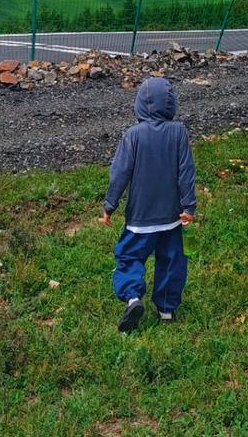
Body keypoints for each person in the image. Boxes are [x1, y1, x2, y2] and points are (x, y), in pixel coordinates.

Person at [99, 76, 196, 332]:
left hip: (139, 218)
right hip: (171, 217)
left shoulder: (132, 136)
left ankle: (132, 297)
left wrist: (110, 206)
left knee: (129, 257)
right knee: (172, 260)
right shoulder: (179, 132)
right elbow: (186, 171)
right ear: (171, 103)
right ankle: (166, 309)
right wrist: (189, 207)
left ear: (139, 104)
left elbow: (119, 173)